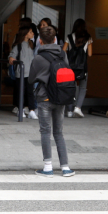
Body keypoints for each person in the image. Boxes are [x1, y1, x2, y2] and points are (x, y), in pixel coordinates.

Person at [29, 26, 74, 177]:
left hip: (44, 98)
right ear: (55, 39)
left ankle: (48, 167)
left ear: (40, 41)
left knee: (45, 131)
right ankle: (65, 167)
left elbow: (31, 79)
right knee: (59, 132)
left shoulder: (38, 58)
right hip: (60, 97)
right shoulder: (63, 54)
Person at [8, 23, 37, 119]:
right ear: (25, 34)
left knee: (30, 92)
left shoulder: (30, 45)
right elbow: (11, 56)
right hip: (20, 73)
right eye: (30, 32)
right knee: (21, 92)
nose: (33, 33)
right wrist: (11, 59)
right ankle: (21, 109)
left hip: (30, 73)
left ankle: (31, 110)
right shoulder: (18, 46)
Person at [64, 19, 92, 118]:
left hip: (70, 67)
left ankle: (69, 110)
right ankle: (78, 108)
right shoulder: (88, 37)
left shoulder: (69, 37)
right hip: (82, 67)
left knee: (70, 87)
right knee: (82, 87)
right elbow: (90, 54)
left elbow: (63, 51)